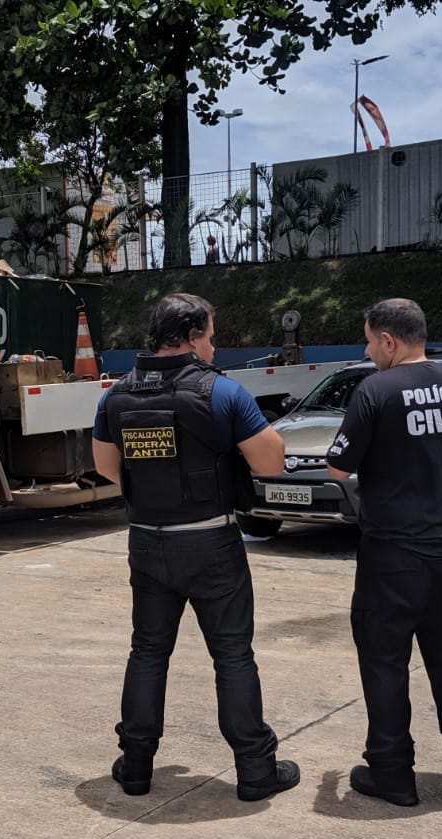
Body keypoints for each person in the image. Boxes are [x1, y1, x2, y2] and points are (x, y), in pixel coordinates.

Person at [92, 293, 300, 802]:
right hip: (211, 542)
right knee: (232, 655)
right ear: (188, 337)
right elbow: (271, 462)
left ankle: (136, 766)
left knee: (148, 652)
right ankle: (255, 771)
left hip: (147, 542)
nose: (213, 345)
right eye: (209, 335)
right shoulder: (222, 393)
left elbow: (105, 467)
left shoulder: (114, 396)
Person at [325, 298, 442, 807]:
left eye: (370, 340)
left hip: (393, 557)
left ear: (389, 341)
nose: (367, 349)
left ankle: (392, 774)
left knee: (384, 663)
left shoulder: (375, 390)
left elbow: (337, 467)